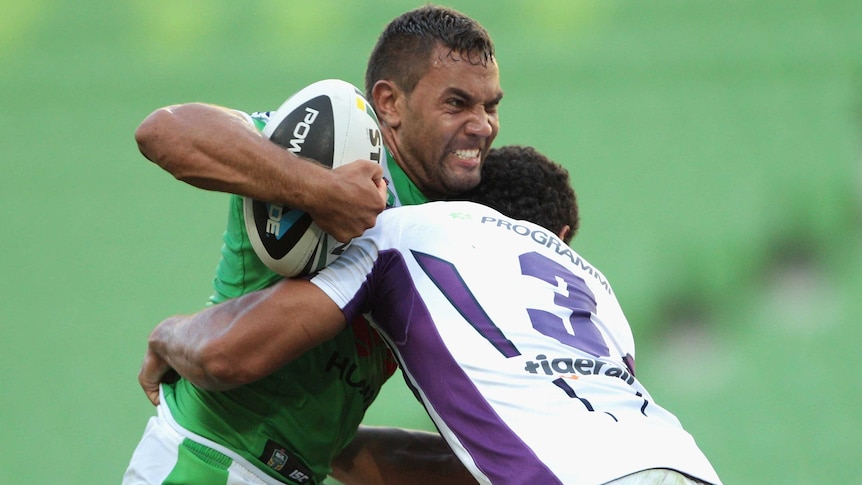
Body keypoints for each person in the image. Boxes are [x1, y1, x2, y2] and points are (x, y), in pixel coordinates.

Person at [139, 145, 723, 485]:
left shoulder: (412, 231)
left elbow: (226, 355)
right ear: (563, 237)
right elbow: (475, 462)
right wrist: (331, 441)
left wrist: (169, 336)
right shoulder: (595, 292)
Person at [125, 5, 500, 485]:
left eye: (490, 106)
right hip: (208, 458)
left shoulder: (454, 220)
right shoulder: (334, 147)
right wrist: (322, 191)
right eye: (457, 104)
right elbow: (164, 130)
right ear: (389, 102)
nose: (482, 125)